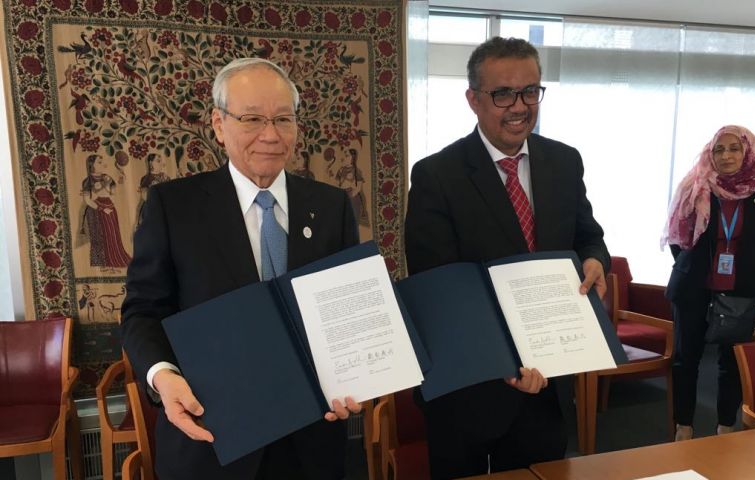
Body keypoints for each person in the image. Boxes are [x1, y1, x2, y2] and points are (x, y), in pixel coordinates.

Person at [121, 58, 361, 480]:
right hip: (213, 439)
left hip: (313, 442)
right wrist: (163, 377)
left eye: (283, 119)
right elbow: (143, 311)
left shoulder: (331, 206)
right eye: (252, 119)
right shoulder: (173, 206)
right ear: (218, 123)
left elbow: (348, 309)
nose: (270, 135)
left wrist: (360, 372)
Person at [405, 36, 610, 479]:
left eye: (530, 91)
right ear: (473, 99)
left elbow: (588, 236)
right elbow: (440, 292)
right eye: (503, 94)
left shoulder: (564, 161)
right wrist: (504, 361)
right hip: (469, 388)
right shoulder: (436, 176)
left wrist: (595, 260)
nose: (520, 106)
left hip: (547, 385)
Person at [662, 125, 755, 441]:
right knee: (685, 358)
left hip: (741, 289)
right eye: (719, 149)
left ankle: (725, 427)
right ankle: (683, 426)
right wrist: (693, 268)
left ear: (748, 152)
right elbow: (679, 239)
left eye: (734, 148)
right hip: (693, 286)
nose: (726, 155)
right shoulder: (696, 186)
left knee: (731, 362)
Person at [80, 154, 132, 270]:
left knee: (113, 235)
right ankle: (104, 265)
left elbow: (113, 190)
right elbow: (87, 200)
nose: (103, 164)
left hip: (109, 207)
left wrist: (112, 192)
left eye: (102, 161)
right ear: (91, 165)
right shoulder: (87, 181)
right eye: (99, 162)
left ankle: (114, 261)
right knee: (100, 237)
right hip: (96, 210)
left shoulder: (107, 177)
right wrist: (102, 208)